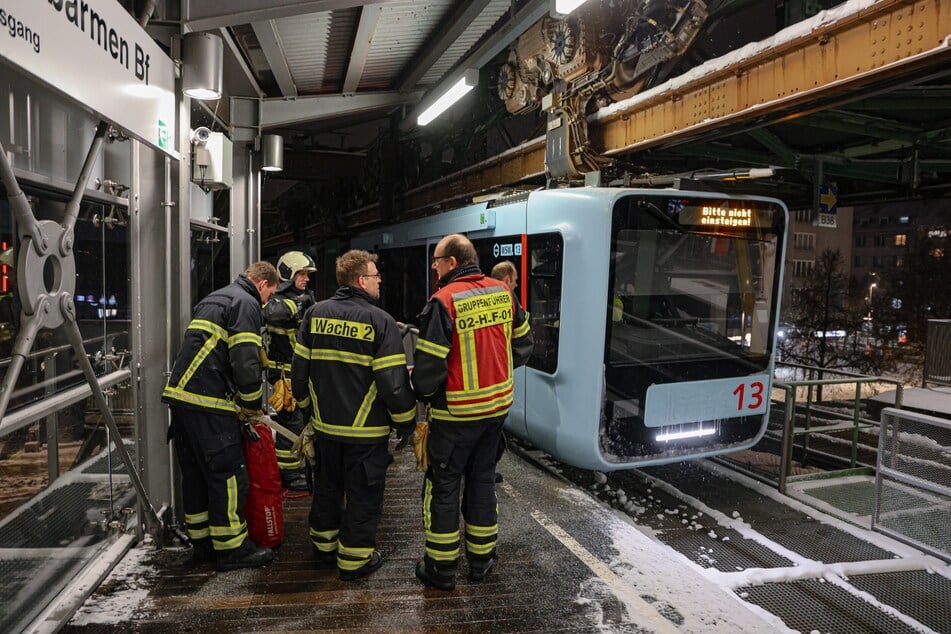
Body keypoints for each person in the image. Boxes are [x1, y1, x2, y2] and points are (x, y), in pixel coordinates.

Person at [412, 234, 533, 591]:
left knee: (444, 487)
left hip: (455, 416)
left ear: (452, 262)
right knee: (482, 482)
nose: (434, 266)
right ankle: (481, 561)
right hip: (495, 412)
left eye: (436, 260)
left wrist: (427, 395)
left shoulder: (444, 301)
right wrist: (495, 371)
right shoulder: (502, 291)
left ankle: (441, 567)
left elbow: (428, 369)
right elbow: (524, 344)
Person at [291, 249, 416, 581]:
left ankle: (324, 547)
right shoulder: (381, 321)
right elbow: (392, 382)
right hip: (367, 432)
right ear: (362, 280)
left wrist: (309, 415)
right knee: (363, 494)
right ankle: (354, 560)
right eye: (376, 276)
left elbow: (298, 374)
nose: (379, 282)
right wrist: (406, 421)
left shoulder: (314, 315)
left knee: (327, 489)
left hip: (326, 429)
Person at [161, 261, 279, 572]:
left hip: (181, 399)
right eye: (269, 296)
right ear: (264, 284)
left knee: (196, 475)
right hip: (209, 403)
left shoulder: (215, 298)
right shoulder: (246, 302)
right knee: (227, 475)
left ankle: (202, 545)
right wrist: (252, 403)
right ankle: (232, 550)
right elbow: (244, 359)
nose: (265, 303)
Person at [264, 251, 318, 491]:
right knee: (291, 424)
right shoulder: (277, 299)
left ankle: (300, 468)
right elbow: (274, 315)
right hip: (284, 377)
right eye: (302, 274)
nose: (306, 279)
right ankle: (289, 474)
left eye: (307, 275)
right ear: (288, 274)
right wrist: (299, 305)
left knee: (304, 421)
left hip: (301, 373)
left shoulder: (306, 297)